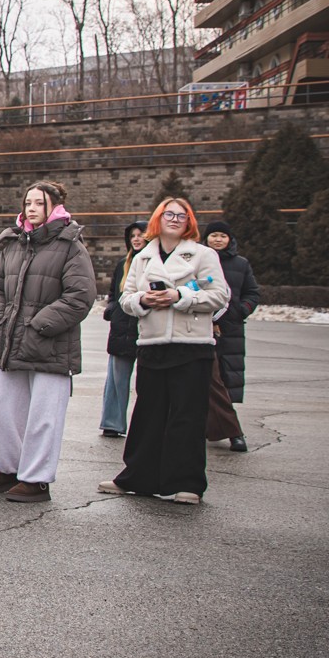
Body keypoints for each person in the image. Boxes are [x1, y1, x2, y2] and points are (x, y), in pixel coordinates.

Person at [102, 197, 230, 503]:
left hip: (192, 346)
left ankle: (187, 483)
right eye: (168, 214)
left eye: (181, 215)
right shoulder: (143, 257)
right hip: (153, 344)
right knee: (148, 415)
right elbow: (126, 298)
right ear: (157, 219)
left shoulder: (204, 254)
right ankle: (138, 477)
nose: (174, 219)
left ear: (189, 222)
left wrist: (180, 297)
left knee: (187, 415)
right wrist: (144, 300)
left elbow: (220, 296)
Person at [0, 180, 96, 502]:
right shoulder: (14, 243)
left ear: (54, 207)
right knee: (4, 410)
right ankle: (9, 468)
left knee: (44, 416)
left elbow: (81, 295)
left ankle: (36, 479)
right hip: (9, 341)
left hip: (50, 345)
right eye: (28, 203)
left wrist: (39, 325)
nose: (31, 208)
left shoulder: (70, 245)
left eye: (39, 203)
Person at [206, 221, 260, 452]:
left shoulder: (240, 264)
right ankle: (224, 431)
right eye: (214, 235)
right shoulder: (198, 260)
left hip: (231, 330)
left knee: (225, 381)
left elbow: (252, 292)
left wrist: (242, 310)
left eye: (223, 236)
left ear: (230, 239)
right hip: (202, 327)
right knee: (206, 381)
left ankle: (231, 431)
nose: (218, 239)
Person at [100, 220, 149, 437]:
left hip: (146, 327)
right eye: (132, 236)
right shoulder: (123, 264)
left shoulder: (156, 263)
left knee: (147, 383)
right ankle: (112, 423)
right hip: (121, 327)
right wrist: (112, 308)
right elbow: (114, 292)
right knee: (116, 379)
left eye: (140, 235)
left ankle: (146, 426)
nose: (136, 239)